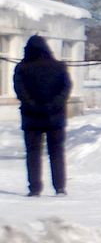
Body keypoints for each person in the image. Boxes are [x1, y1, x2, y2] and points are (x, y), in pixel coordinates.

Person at [12, 35, 72, 197]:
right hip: (56, 117)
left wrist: (33, 104)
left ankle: (35, 188)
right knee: (57, 152)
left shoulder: (22, 68)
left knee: (33, 153)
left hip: (31, 118)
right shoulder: (59, 67)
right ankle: (59, 187)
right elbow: (66, 89)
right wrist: (54, 105)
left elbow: (20, 90)